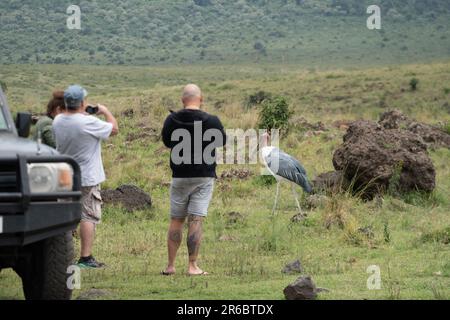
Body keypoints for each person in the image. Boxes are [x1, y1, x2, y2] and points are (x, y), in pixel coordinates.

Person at [161, 84, 226, 276]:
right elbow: (221, 141)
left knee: (176, 220)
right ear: (201, 98)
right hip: (203, 176)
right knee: (195, 219)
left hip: (179, 175)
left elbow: (166, 142)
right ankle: (192, 266)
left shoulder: (172, 119)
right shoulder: (212, 120)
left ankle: (170, 266)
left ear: (182, 100)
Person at [53, 85, 119, 269]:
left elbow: (75, 122)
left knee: (65, 216)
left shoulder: (58, 120)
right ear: (82, 102)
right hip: (87, 177)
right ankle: (85, 257)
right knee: (88, 215)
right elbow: (114, 129)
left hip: (64, 175)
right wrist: (105, 111)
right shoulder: (88, 123)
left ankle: (60, 256)